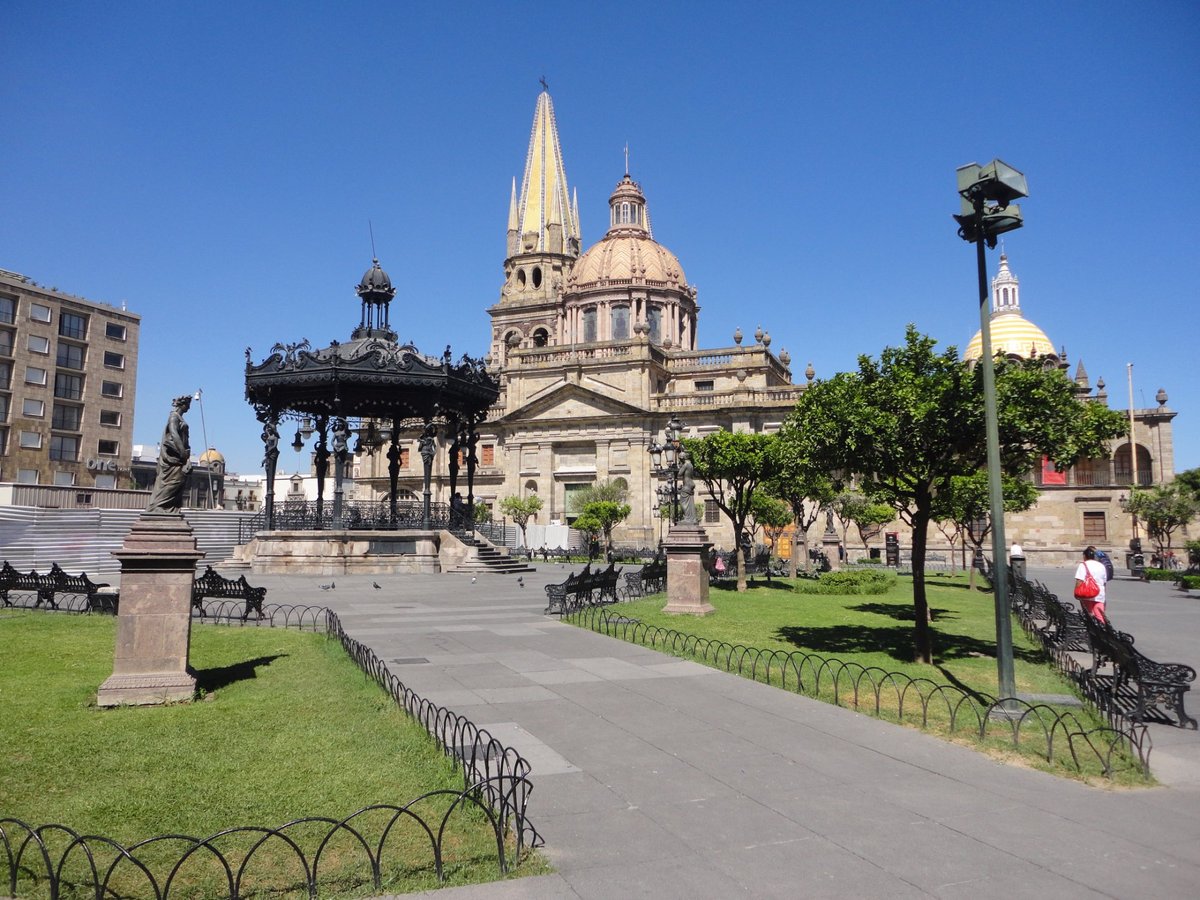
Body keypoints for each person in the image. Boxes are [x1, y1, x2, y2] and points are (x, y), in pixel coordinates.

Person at [145, 395, 193, 514]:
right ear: (182, 405)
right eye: (188, 405)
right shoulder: (174, 417)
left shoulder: (178, 417)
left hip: (179, 456)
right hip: (173, 458)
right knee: (175, 481)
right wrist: (183, 453)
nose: (189, 408)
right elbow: (174, 434)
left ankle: (167, 506)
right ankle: (158, 505)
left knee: (179, 481)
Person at [1074, 546, 1108, 623]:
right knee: (1100, 615)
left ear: (1084, 556)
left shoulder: (1083, 565)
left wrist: (1076, 593)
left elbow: (1079, 580)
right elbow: (1104, 582)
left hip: (1086, 593)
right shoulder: (1101, 566)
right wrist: (1104, 594)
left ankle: (1090, 631)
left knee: (1088, 614)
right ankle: (1102, 631)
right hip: (1099, 593)